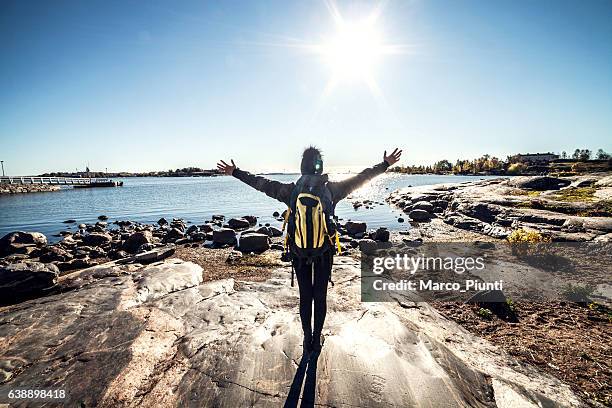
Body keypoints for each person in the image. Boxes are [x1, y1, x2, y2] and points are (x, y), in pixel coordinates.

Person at [217, 147, 402, 353]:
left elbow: (261, 184)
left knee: (306, 296)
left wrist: (236, 172)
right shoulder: (332, 189)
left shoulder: (290, 191)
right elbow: (362, 178)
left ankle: (307, 339)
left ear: (302, 167)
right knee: (320, 296)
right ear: (320, 167)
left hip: (299, 252)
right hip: (324, 251)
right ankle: (316, 338)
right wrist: (384, 165)